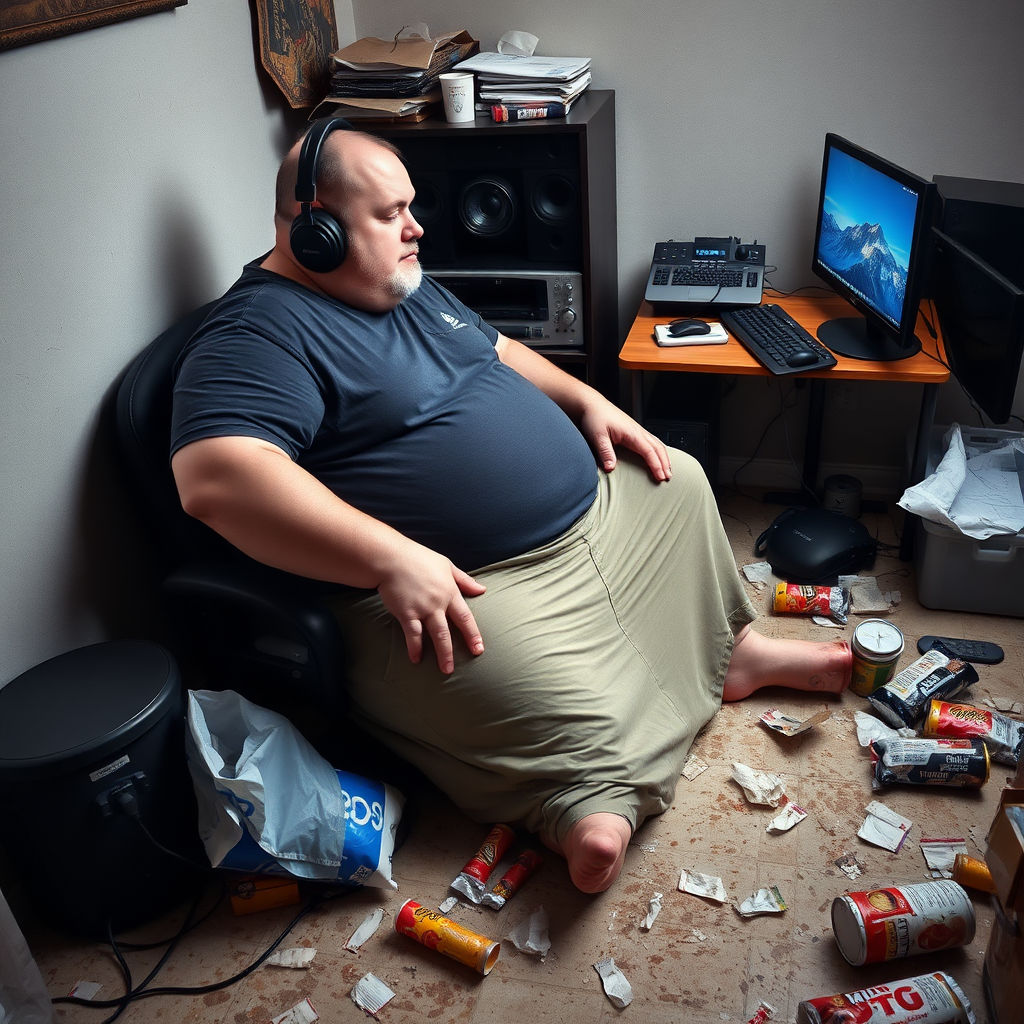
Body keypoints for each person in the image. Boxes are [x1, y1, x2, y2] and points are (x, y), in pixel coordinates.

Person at [171, 123, 852, 894]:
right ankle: (591, 800)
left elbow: (492, 348)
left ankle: (733, 652)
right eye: (391, 214)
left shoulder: (397, 282)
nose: (417, 227)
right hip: (470, 582)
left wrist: (587, 400)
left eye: (413, 207)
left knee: (680, 480)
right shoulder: (257, 333)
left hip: (592, 517)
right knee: (556, 696)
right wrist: (391, 557)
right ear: (317, 231)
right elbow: (218, 478)